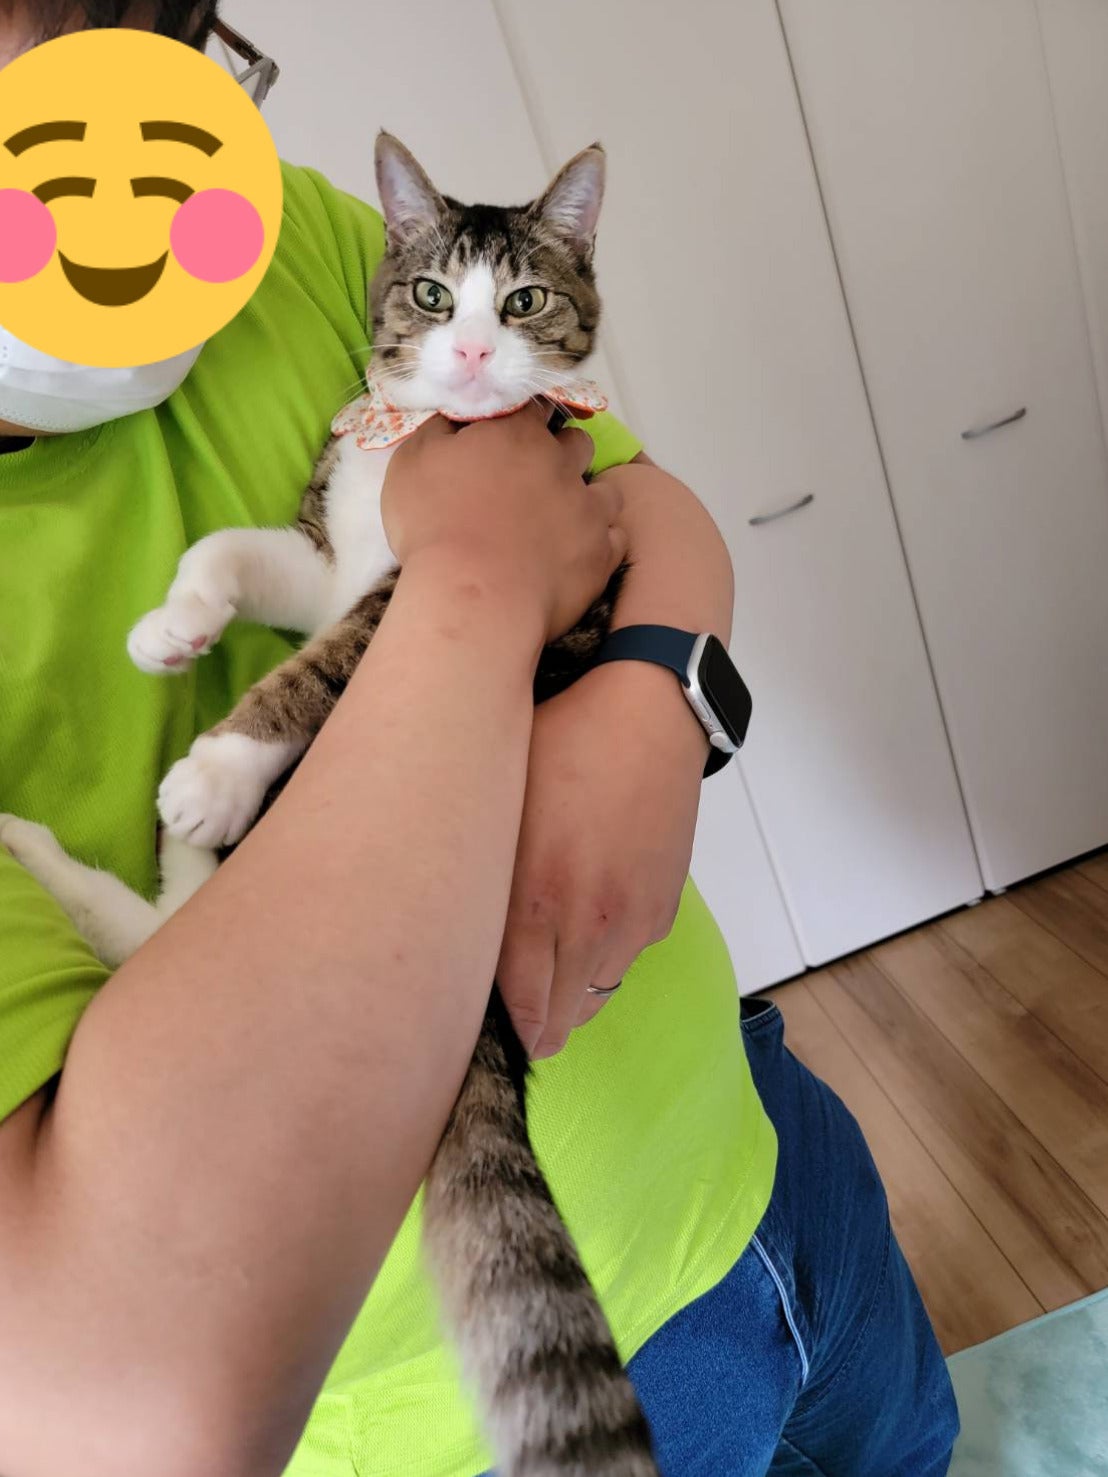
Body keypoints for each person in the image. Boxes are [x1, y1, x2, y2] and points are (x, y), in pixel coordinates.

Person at [0, 4, 960, 1475]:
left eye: (177, 67)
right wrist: (478, 578)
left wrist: (655, 702)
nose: (134, 193)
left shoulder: (285, 233)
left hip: (748, 1131)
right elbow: (132, 1399)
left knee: (918, 1444)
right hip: (460, 1389)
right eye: (45, 131)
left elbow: (629, 501)